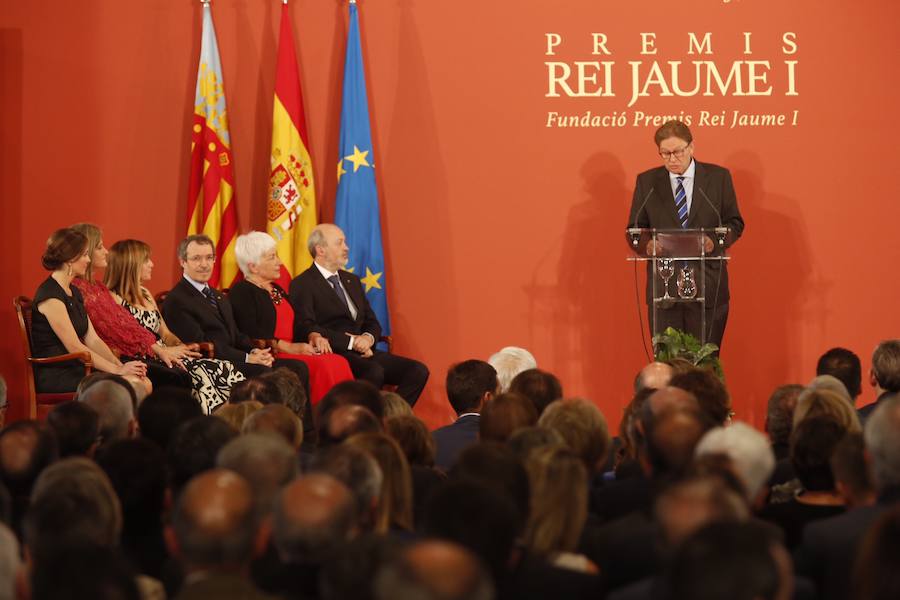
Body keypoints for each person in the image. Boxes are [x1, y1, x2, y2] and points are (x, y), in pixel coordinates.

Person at [626, 119, 745, 349]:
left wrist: (713, 242)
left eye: (678, 151)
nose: (672, 159)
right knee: (668, 362)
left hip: (708, 286)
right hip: (664, 290)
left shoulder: (718, 178)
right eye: (665, 153)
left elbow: (734, 223)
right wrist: (647, 245)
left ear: (691, 147)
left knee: (704, 362)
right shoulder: (647, 182)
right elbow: (634, 230)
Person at [288, 223, 429, 406]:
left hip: (365, 350)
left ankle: (389, 417)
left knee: (417, 371)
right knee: (374, 371)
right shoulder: (303, 283)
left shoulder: (352, 280)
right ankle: (362, 421)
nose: (346, 247)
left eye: (345, 242)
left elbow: (372, 321)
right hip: (336, 352)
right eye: (339, 243)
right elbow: (306, 326)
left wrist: (368, 338)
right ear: (320, 250)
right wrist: (351, 342)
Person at [103, 237, 246, 414]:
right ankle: (201, 419)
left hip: (166, 353)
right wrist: (165, 351)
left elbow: (165, 332)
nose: (152, 264)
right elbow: (126, 337)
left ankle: (228, 417)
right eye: (146, 260)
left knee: (220, 367)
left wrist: (180, 346)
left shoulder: (145, 293)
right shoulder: (112, 298)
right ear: (131, 265)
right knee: (200, 372)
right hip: (143, 356)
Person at [161, 234, 310, 393]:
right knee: (265, 372)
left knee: (298, 367)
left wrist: (255, 351)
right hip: (209, 365)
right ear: (183, 262)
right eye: (197, 258)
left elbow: (236, 335)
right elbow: (201, 345)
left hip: (234, 359)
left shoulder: (217, 296)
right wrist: (247, 358)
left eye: (209, 258)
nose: (204, 264)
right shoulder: (177, 300)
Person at [230, 231, 354, 406]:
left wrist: (313, 335)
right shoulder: (242, 291)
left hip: (294, 349)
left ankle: (346, 415)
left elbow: (298, 323)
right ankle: (321, 418)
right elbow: (250, 333)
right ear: (253, 267)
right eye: (272, 257)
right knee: (324, 365)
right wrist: (289, 347)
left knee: (338, 361)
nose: (279, 262)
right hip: (271, 354)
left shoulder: (277, 290)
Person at [29, 228, 148, 393]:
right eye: (85, 255)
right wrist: (118, 371)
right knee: (135, 384)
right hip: (59, 374)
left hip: (78, 367)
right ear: (70, 259)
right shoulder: (50, 296)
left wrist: (120, 365)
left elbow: (93, 339)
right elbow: (74, 347)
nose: (89, 259)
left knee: (142, 381)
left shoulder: (74, 291)